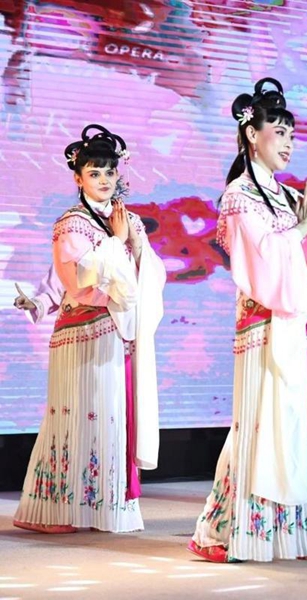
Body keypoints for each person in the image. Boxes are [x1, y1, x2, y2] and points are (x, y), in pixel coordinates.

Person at [188, 78, 307, 563]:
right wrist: (303, 226)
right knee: (262, 428)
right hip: (264, 326)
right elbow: (261, 266)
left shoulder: (282, 196)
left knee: (293, 429)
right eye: (278, 132)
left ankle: (298, 532)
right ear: (250, 136)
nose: (286, 142)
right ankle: (235, 529)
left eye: (290, 134)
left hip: (295, 327)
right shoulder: (238, 197)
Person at [13, 124, 166, 533]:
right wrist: (116, 243)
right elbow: (74, 278)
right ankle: (58, 509)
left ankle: (103, 506)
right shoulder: (71, 223)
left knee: (112, 420)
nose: (103, 180)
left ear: (119, 175)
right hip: (81, 336)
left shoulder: (127, 219)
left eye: (109, 172)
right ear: (78, 178)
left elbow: (147, 271)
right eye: (94, 173)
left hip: (116, 332)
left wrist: (132, 245)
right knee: (76, 419)